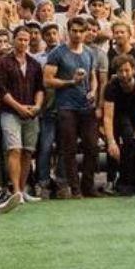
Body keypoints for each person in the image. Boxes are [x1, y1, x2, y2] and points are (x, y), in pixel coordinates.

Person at [44, 16, 103, 198]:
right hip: (66, 107)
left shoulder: (89, 53)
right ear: (68, 32)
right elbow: (47, 80)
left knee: (92, 147)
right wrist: (71, 81)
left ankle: (88, 185)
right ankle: (75, 188)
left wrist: (93, 91)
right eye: (74, 31)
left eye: (80, 31)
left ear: (86, 33)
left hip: (86, 106)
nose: (77, 35)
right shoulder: (57, 53)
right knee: (68, 149)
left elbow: (93, 76)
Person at [0, 27, 44, 201]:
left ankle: (22, 189)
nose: (23, 43)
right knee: (14, 149)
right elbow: (2, 90)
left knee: (28, 151)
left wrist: (37, 105)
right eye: (20, 39)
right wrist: (19, 107)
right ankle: (15, 190)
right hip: (10, 112)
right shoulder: (2, 63)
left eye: (26, 40)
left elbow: (40, 88)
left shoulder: (35, 64)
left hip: (31, 113)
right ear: (13, 40)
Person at [103, 53, 135, 195]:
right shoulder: (111, 87)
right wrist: (111, 141)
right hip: (121, 114)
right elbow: (108, 116)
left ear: (133, 69)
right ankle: (124, 182)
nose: (124, 74)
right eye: (120, 71)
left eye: (127, 70)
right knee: (128, 140)